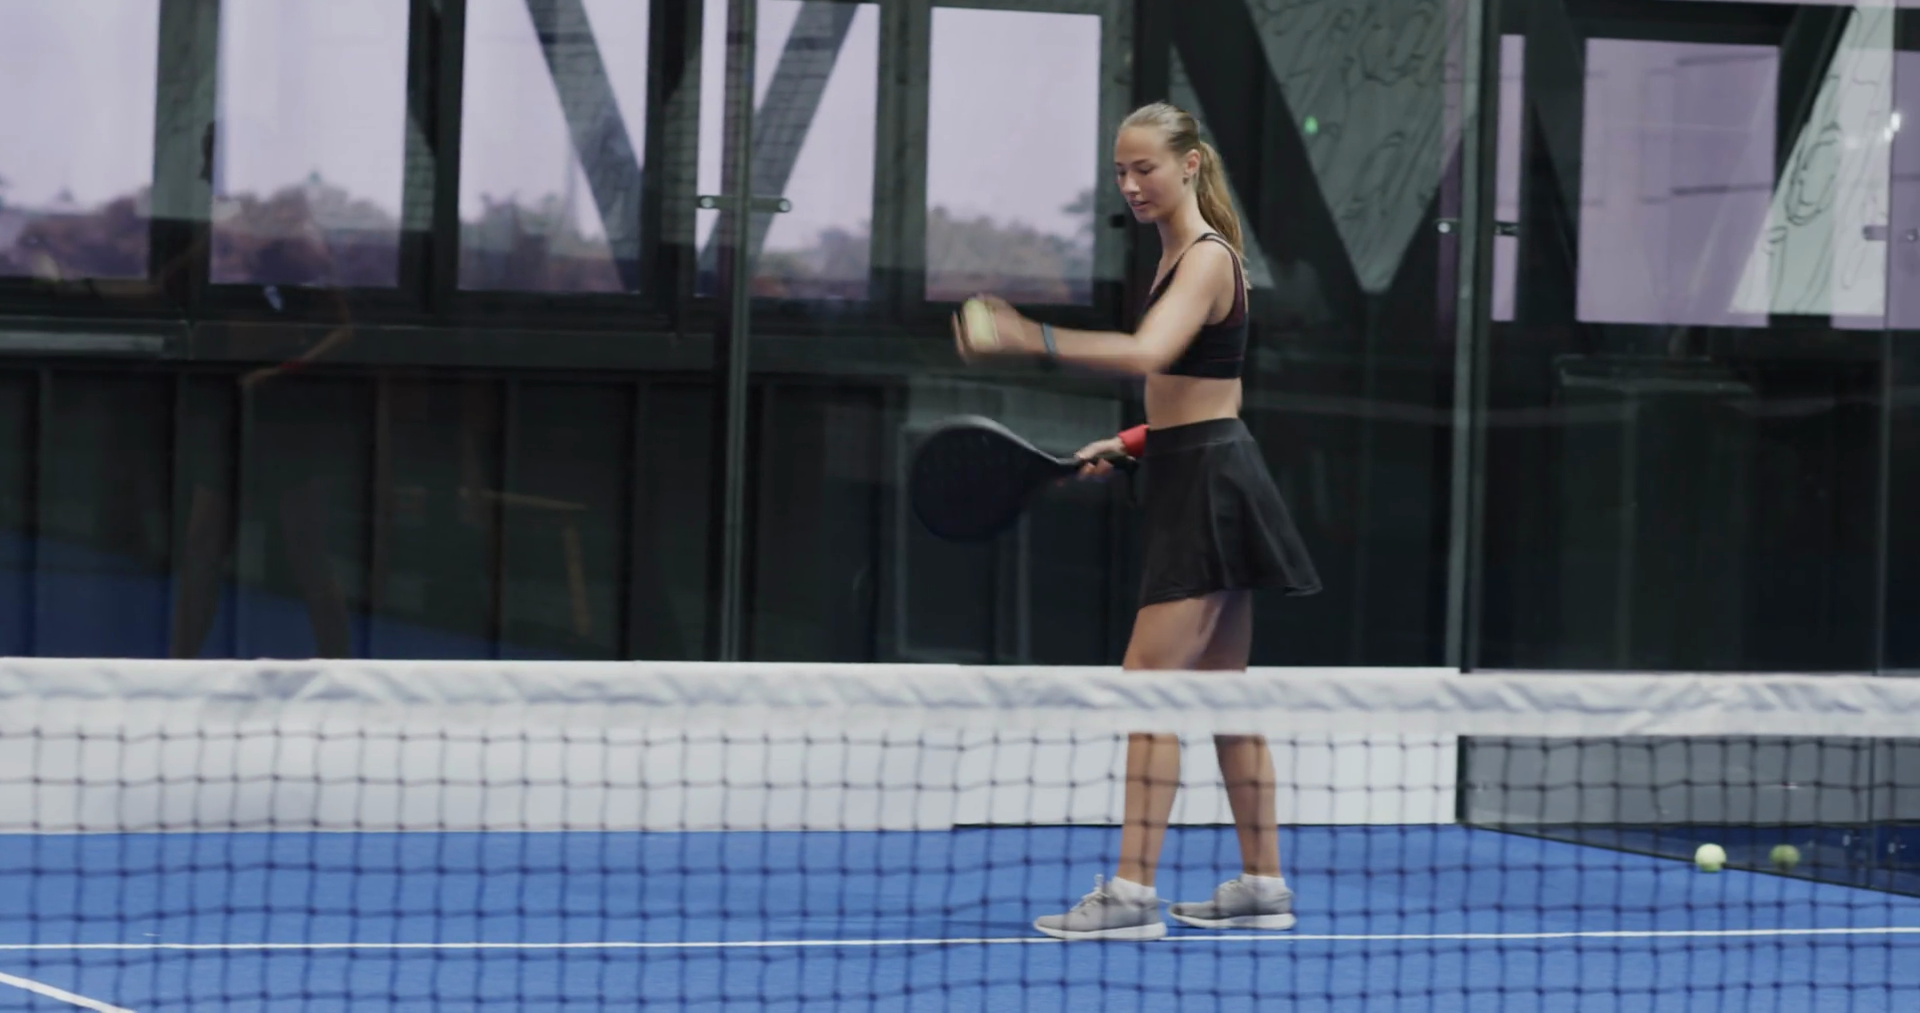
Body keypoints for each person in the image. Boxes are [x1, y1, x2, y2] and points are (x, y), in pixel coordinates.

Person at [950, 101, 1322, 941]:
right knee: (1223, 692)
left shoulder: (1207, 258)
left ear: (1189, 163)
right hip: (1202, 470)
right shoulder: (1179, 258)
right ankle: (1263, 883)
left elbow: (1150, 353)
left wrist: (1028, 334)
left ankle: (1131, 894)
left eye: (1144, 167)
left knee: (1147, 687)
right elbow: (1206, 391)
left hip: (1210, 489)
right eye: (1120, 171)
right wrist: (1131, 441)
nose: (1129, 184)